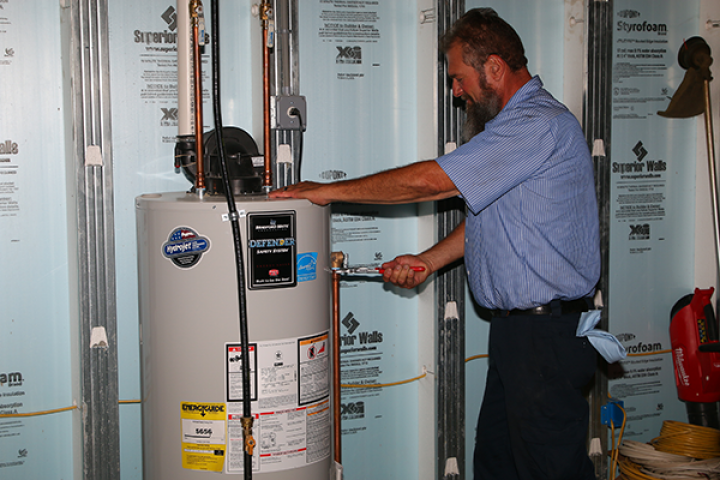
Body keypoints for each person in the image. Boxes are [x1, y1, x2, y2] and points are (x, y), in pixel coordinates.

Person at [271, 8, 600, 480]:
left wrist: (324, 190)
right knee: (498, 464)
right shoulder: (513, 131)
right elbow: (497, 222)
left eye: (459, 78)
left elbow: (431, 182)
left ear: (493, 67)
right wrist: (428, 261)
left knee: (549, 469)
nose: (455, 91)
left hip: (544, 338)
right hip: (519, 336)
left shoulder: (537, 125)